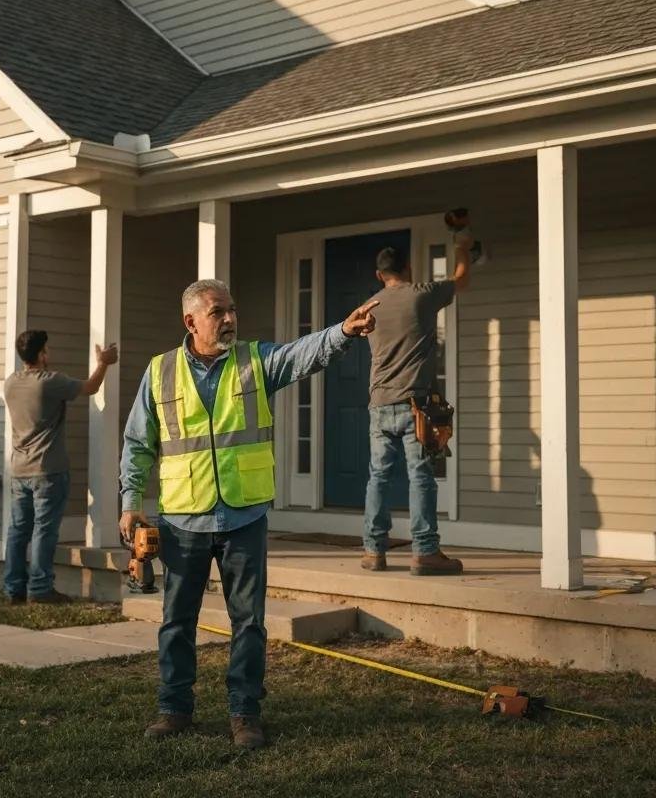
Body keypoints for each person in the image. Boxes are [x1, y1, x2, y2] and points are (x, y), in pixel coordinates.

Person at [119, 278, 378, 749]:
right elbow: (139, 443)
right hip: (182, 519)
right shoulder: (159, 372)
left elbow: (304, 354)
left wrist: (342, 331)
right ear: (190, 321)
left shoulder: (255, 361)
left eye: (232, 309)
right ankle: (174, 709)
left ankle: (245, 714)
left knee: (250, 623)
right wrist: (130, 502)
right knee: (177, 621)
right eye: (218, 311)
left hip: (243, 518)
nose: (230, 319)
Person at [361, 228, 472, 576]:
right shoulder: (422, 294)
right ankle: (425, 552)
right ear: (408, 269)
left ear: (380, 275)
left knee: (377, 477)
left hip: (379, 404)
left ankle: (373, 551)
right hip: (416, 406)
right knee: (420, 477)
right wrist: (462, 247)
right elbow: (461, 279)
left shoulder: (369, 307)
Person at [3, 329, 118, 604]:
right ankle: (40, 589)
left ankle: (13, 589)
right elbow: (90, 388)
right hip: (47, 469)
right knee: (44, 529)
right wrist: (104, 363)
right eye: (47, 349)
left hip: (19, 469)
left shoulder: (10, 383)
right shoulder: (49, 382)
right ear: (42, 353)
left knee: (18, 530)